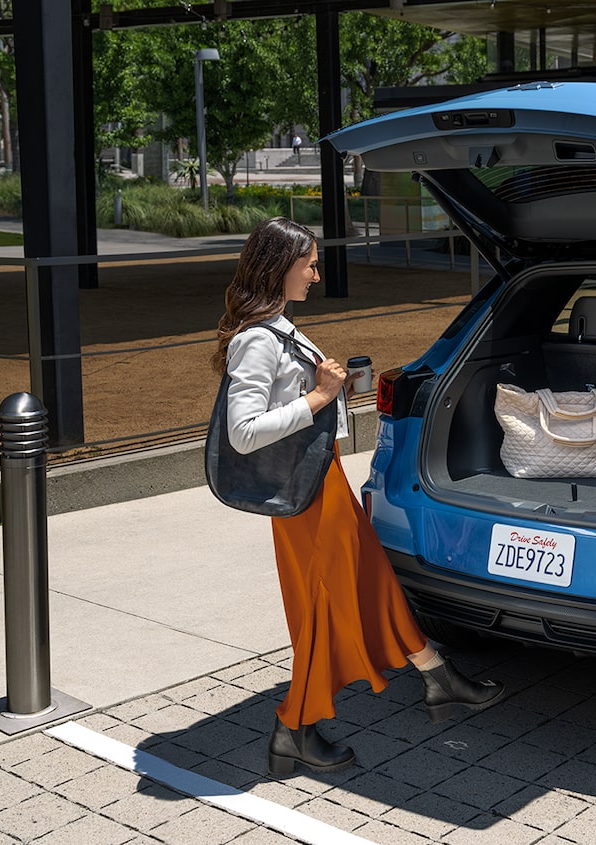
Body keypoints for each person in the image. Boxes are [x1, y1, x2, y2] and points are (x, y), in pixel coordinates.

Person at [211, 217, 503, 776]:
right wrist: (322, 397)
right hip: (302, 497)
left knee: (370, 578)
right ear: (279, 267)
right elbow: (242, 430)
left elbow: (300, 400)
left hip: (323, 482)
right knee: (322, 607)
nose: (317, 276)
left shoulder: (277, 327)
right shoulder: (255, 340)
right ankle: (293, 728)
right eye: (309, 265)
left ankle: (436, 673)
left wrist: (338, 391)